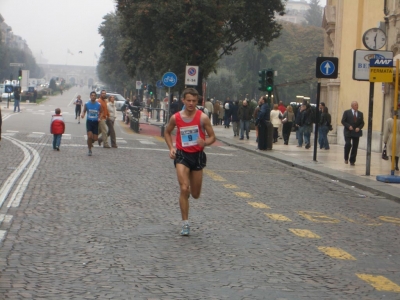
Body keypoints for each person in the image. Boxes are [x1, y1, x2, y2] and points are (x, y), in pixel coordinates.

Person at [164, 88, 216, 236]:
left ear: (197, 101)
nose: (191, 103)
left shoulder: (203, 118)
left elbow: (213, 137)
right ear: (183, 101)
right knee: (184, 188)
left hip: (197, 156)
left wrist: (205, 142)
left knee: (195, 194)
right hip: (182, 155)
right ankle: (185, 223)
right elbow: (167, 132)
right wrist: (171, 148)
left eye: (194, 101)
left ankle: (186, 195)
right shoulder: (176, 117)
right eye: (189, 100)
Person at [341, 101, 364, 165]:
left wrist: (359, 128)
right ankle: (346, 158)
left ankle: (352, 160)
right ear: (352, 106)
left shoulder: (360, 114)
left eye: (357, 105)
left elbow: (362, 123)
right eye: (355, 105)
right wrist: (348, 126)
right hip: (348, 131)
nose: (357, 106)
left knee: (355, 146)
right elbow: (343, 121)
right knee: (348, 144)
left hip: (356, 132)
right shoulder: (346, 112)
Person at [81, 91, 103, 156]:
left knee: (95, 138)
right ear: (90, 96)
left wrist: (100, 118)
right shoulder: (87, 104)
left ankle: (90, 141)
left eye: (94, 95)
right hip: (89, 122)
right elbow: (84, 111)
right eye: (92, 95)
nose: (93, 96)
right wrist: (82, 115)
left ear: (96, 97)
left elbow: (102, 112)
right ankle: (89, 150)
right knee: (90, 136)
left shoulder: (98, 105)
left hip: (96, 122)